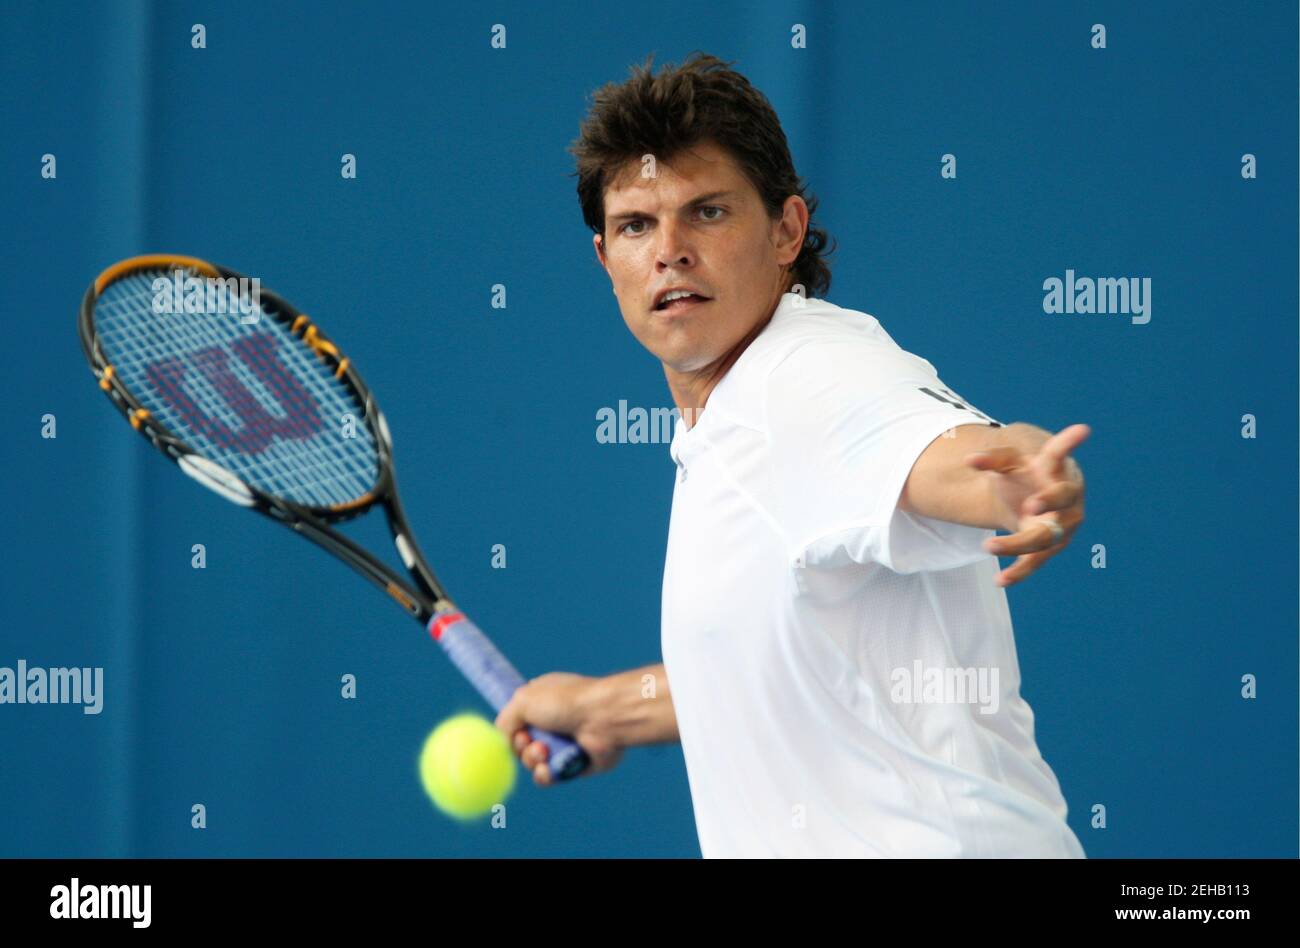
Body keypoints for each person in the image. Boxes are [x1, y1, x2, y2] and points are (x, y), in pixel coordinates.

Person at [495, 52, 1089, 858]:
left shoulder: (805, 379)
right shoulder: (736, 414)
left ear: (787, 230)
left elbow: (958, 459)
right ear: (606, 258)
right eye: (637, 224)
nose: (669, 250)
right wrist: (608, 707)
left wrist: (1027, 476)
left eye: (706, 213)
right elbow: (804, 669)